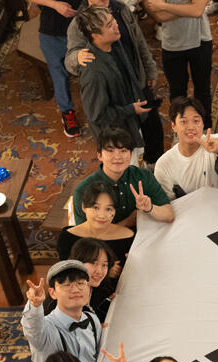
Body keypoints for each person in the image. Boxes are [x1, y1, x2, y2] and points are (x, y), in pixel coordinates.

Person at [65, 0, 159, 161]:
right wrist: (77, 57)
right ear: (95, 34)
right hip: (117, 136)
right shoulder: (94, 70)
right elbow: (98, 114)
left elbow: (139, 41)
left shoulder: (119, 16)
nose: (116, 25)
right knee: (127, 172)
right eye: (109, 25)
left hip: (133, 91)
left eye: (113, 21)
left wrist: (149, 69)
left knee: (152, 131)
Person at [73, 127, 174, 227]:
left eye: (123, 151)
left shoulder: (143, 176)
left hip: (143, 235)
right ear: (99, 156)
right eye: (110, 150)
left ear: (130, 155)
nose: (118, 157)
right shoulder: (83, 191)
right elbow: (85, 238)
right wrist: (129, 221)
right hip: (105, 242)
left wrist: (150, 208)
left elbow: (169, 215)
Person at [21, 260, 101, 362]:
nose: (75, 290)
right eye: (67, 285)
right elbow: (32, 329)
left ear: (88, 288)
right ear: (52, 293)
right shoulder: (46, 328)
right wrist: (35, 305)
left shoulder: (92, 319)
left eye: (80, 283)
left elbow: (98, 353)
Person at [143, 0, 213, 124]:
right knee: (177, 92)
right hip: (172, 44)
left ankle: (205, 127)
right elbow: (159, 16)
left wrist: (163, 6)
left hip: (201, 41)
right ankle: (180, 128)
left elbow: (197, 11)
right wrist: (189, 9)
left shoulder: (163, 4)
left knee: (203, 90)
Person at [154, 97, 218, 199]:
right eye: (184, 121)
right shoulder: (163, 165)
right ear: (173, 126)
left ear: (203, 124)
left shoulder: (215, 142)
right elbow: (169, 205)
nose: (191, 127)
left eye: (196, 121)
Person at [31, 0, 83, 137]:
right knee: (59, 76)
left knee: (91, 71)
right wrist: (55, 5)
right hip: (52, 33)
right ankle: (67, 113)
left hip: (82, 29)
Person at [59, 181, 135, 265]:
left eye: (108, 209)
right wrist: (105, 271)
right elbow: (65, 273)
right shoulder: (67, 237)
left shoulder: (129, 237)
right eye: (96, 207)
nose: (102, 215)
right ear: (84, 207)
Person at [69, 237, 119, 321]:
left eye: (104, 265)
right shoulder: (63, 293)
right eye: (93, 263)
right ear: (77, 261)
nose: (99, 271)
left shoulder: (99, 290)